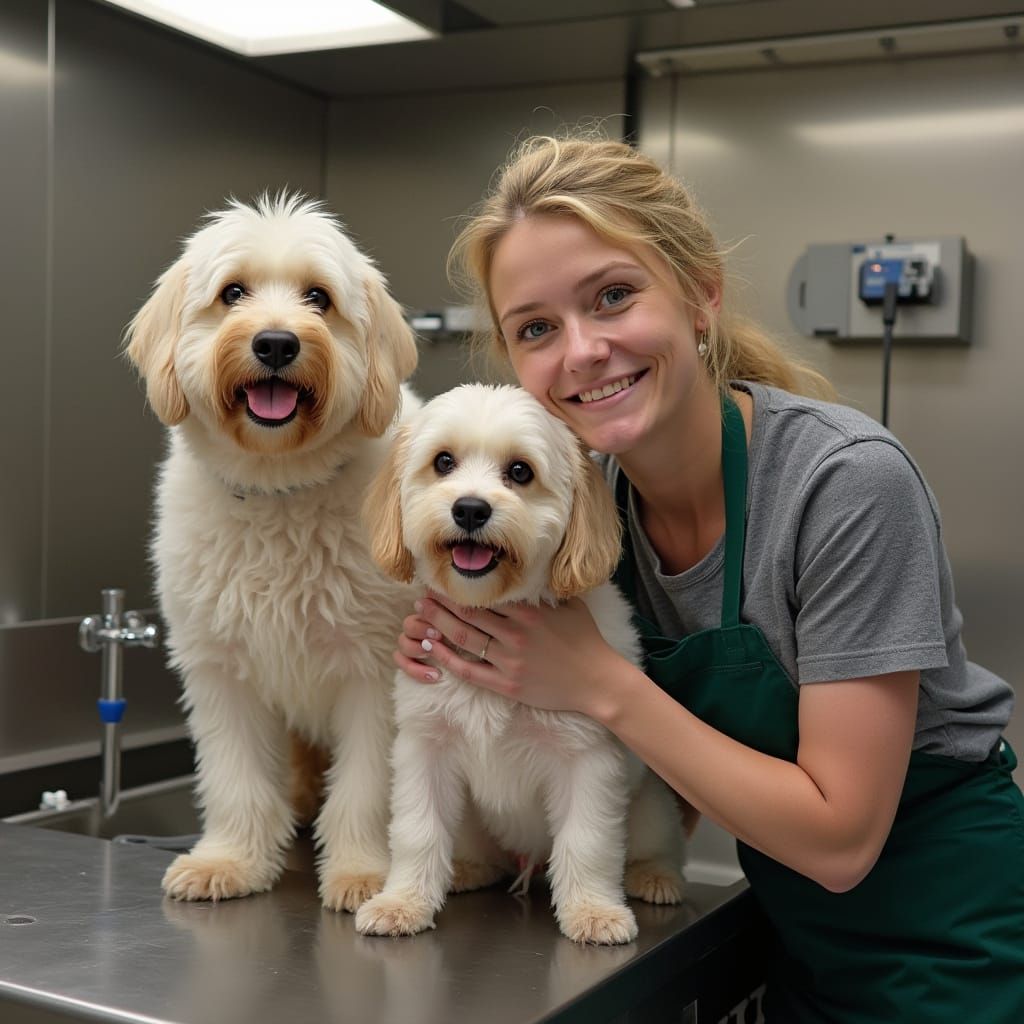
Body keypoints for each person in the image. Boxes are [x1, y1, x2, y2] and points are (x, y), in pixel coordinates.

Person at [394, 135, 1024, 1022]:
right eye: (535, 328)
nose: (581, 351)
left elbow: (842, 840)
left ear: (700, 296)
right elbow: (667, 757)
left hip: (962, 952)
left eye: (614, 296)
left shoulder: (844, 487)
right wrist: (456, 642)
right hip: (802, 948)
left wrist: (601, 686)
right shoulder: (588, 508)